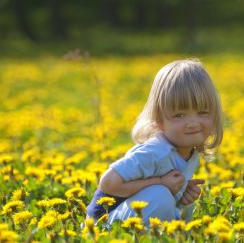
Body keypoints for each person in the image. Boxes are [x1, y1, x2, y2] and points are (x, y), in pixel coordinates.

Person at [86, 59, 224, 226]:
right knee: (160, 195)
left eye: (202, 112)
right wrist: (160, 182)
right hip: (103, 225)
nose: (193, 123)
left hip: (132, 215)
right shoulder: (154, 152)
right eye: (180, 115)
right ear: (159, 120)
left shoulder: (190, 152)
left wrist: (181, 194)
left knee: (181, 204)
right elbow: (108, 183)